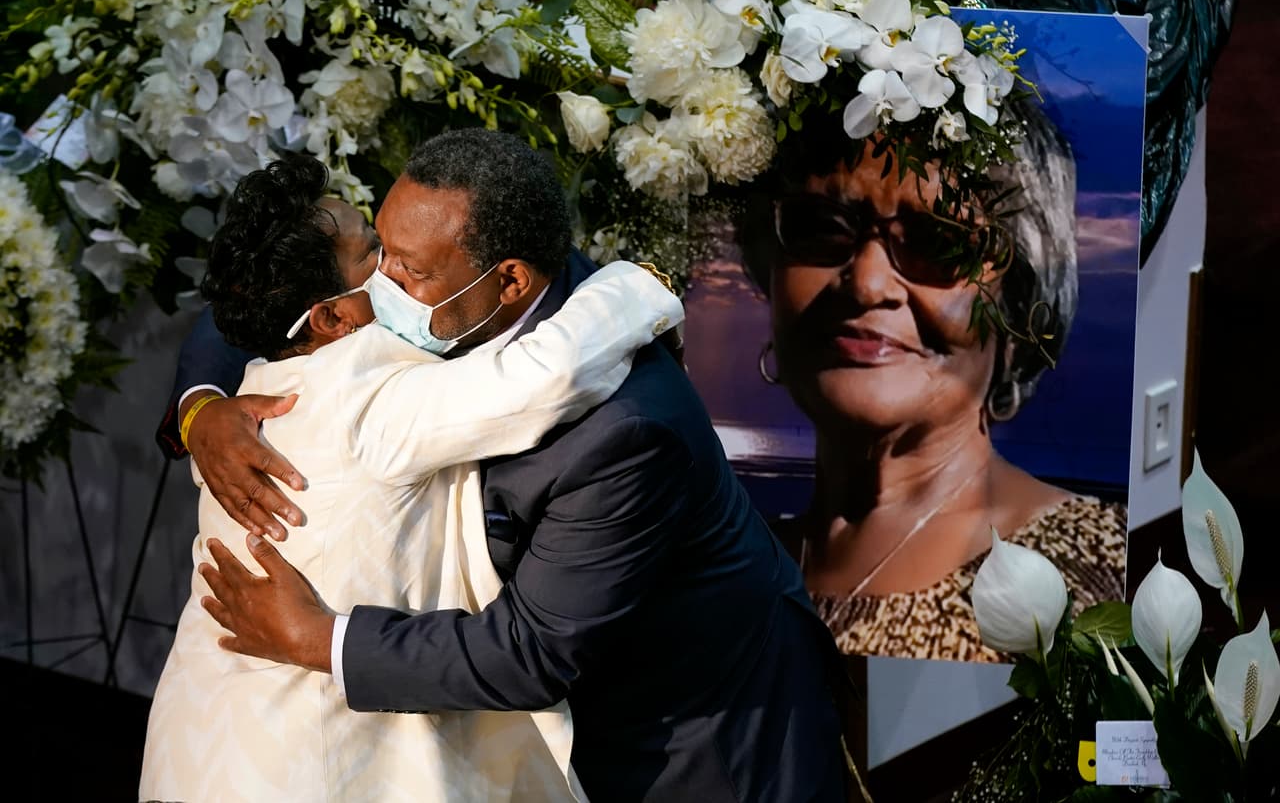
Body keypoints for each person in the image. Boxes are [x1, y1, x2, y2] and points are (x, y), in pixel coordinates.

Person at [157, 129, 848, 802]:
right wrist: (202, 406)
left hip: (690, 740)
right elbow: (259, 291)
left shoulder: (624, 426)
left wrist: (321, 638)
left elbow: (530, 653)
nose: (383, 281)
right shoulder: (436, 289)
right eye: (379, 251)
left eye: (407, 269)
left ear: (510, 281)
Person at [737, 99, 1127, 663]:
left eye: (938, 242)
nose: (868, 285)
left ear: (1018, 307)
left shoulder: (1093, 577)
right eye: (820, 229)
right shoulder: (725, 567)